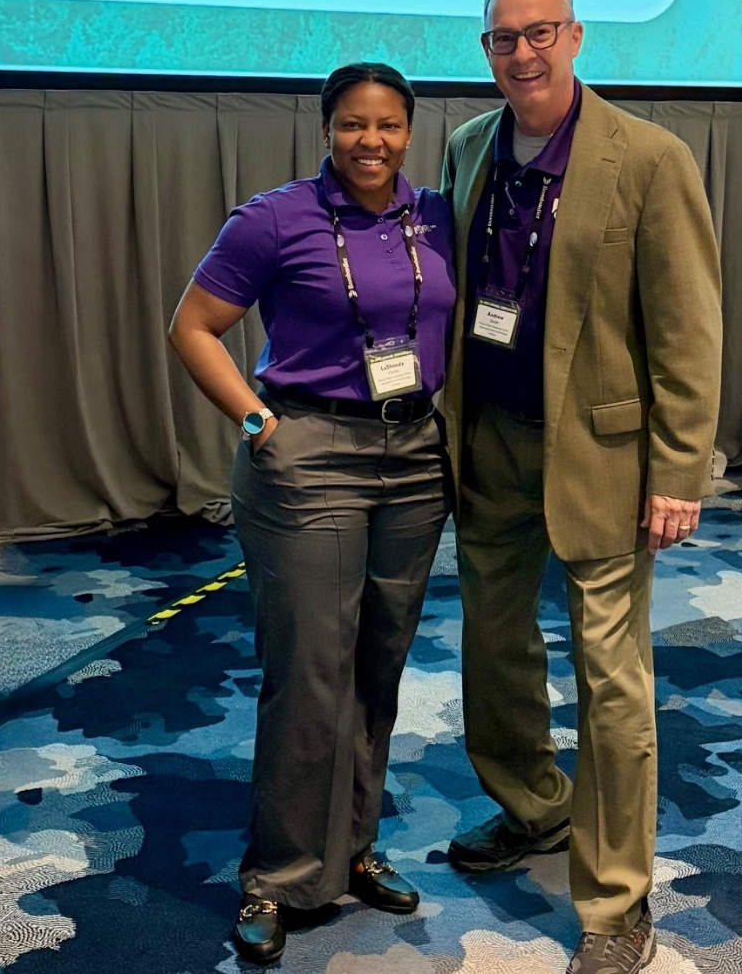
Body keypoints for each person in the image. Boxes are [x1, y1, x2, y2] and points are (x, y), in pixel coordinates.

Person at [441, 0, 722, 974]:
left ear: (574, 36)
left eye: (539, 32)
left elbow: (687, 331)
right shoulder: (468, 147)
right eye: (501, 38)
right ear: (485, 49)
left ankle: (613, 904)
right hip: (489, 450)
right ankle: (530, 808)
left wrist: (678, 469)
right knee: (493, 646)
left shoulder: (645, 158)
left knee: (610, 680)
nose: (521, 53)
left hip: (602, 459)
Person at [169, 62, 453, 966]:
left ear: (411, 130)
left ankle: (355, 848)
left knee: (379, 659)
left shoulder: (437, 216)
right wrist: (259, 424)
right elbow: (192, 324)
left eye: (390, 125)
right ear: (327, 127)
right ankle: (282, 872)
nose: (372, 141)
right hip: (310, 457)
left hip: (413, 460)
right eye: (354, 125)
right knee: (309, 668)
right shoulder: (276, 217)